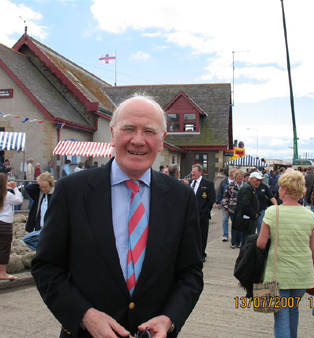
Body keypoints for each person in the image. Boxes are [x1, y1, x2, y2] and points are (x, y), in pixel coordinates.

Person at [31, 94, 203, 338]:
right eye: (129, 129)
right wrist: (85, 315)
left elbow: (191, 274)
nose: (138, 140)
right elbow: (46, 267)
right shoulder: (72, 191)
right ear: (113, 134)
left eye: (150, 131)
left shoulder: (182, 198)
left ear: (162, 140)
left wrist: (169, 319)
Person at [257, 170, 314, 338]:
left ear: (284, 189)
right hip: (302, 273)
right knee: (293, 311)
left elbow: (261, 244)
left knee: (281, 316)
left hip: (279, 275)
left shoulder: (272, 212)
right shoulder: (311, 216)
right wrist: (310, 269)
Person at [0, 173, 23, 280]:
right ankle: (3, 273)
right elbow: (19, 200)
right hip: (6, 223)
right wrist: (15, 188)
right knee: (5, 249)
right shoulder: (7, 195)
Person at [190, 164, 215, 262]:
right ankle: (193, 253)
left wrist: (206, 210)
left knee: (202, 235)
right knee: (192, 234)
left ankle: (202, 254)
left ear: (200, 172)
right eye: (192, 173)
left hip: (202, 214)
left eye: (195, 173)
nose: (193, 174)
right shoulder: (191, 183)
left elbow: (211, 198)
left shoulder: (207, 183)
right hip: (192, 214)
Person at [23, 172, 55, 250]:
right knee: (30, 241)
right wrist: (39, 183)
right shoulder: (40, 194)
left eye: (45, 187)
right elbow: (29, 188)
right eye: (41, 187)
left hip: (50, 227)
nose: (43, 189)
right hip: (40, 226)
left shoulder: (55, 195)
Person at [234, 171, 262, 247]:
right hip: (248, 220)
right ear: (251, 179)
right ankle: (244, 257)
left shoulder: (249, 188)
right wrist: (254, 214)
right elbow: (246, 204)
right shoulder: (248, 189)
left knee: (246, 240)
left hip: (247, 219)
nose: (258, 183)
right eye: (257, 180)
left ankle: (244, 257)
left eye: (259, 181)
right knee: (247, 241)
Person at [222, 170, 244, 248]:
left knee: (241, 225)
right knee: (234, 225)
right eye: (239, 176)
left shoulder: (244, 185)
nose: (240, 178)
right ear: (235, 177)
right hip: (233, 208)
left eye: (241, 176)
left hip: (242, 209)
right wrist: (226, 208)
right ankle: (233, 242)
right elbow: (225, 197)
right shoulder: (231, 185)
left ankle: (239, 242)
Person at [216, 168, 237, 242]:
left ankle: (233, 235)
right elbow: (220, 191)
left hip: (234, 204)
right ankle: (225, 235)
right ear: (231, 173)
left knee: (233, 220)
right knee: (225, 219)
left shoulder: (236, 182)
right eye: (234, 172)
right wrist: (218, 202)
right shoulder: (224, 181)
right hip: (225, 203)